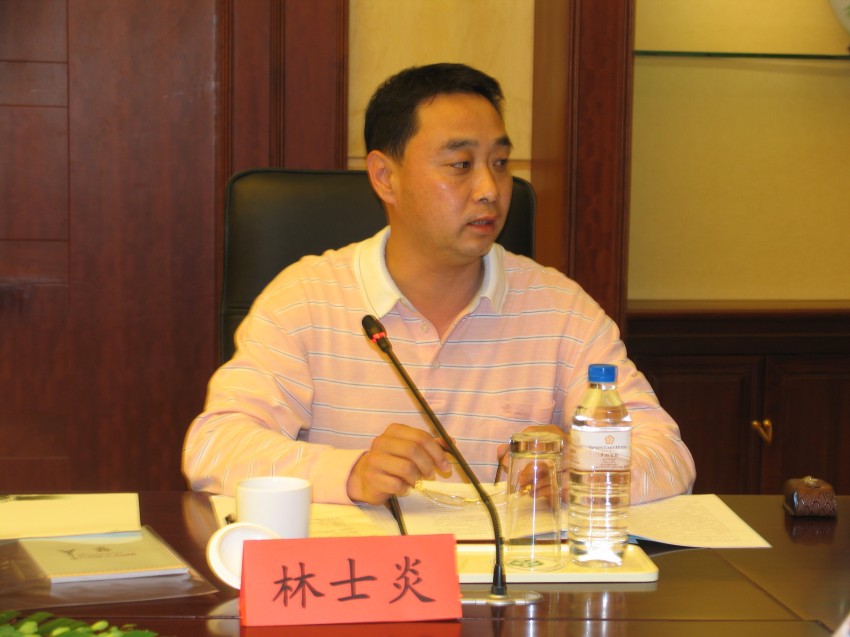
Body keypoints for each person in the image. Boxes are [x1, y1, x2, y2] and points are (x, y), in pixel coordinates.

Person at [182, 63, 695, 506]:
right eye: (460, 166)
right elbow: (214, 446)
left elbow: (668, 455)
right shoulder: (305, 299)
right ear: (385, 177)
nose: (490, 189)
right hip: (363, 581)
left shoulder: (560, 308)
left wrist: (580, 469)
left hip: (507, 582)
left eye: (500, 163)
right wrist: (351, 473)